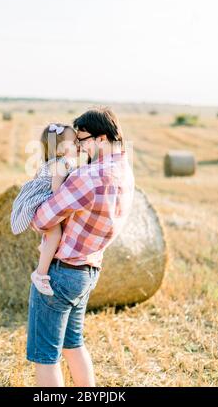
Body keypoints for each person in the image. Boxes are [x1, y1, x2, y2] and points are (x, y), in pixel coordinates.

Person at [12, 107, 135, 387]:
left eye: (82, 140)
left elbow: (43, 218)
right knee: (73, 345)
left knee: (46, 357)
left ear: (101, 139)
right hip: (88, 271)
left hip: (62, 274)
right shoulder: (125, 171)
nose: (79, 146)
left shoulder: (90, 175)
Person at [10, 122, 78, 296]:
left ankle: (45, 247)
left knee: (52, 234)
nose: (78, 144)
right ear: (61, 149)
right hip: (44, 199)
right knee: (55, 234)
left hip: (37, 196)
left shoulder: (53, 162)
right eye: (74, 141)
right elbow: (57, 190)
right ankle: (40, 274)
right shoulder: (62, 163)